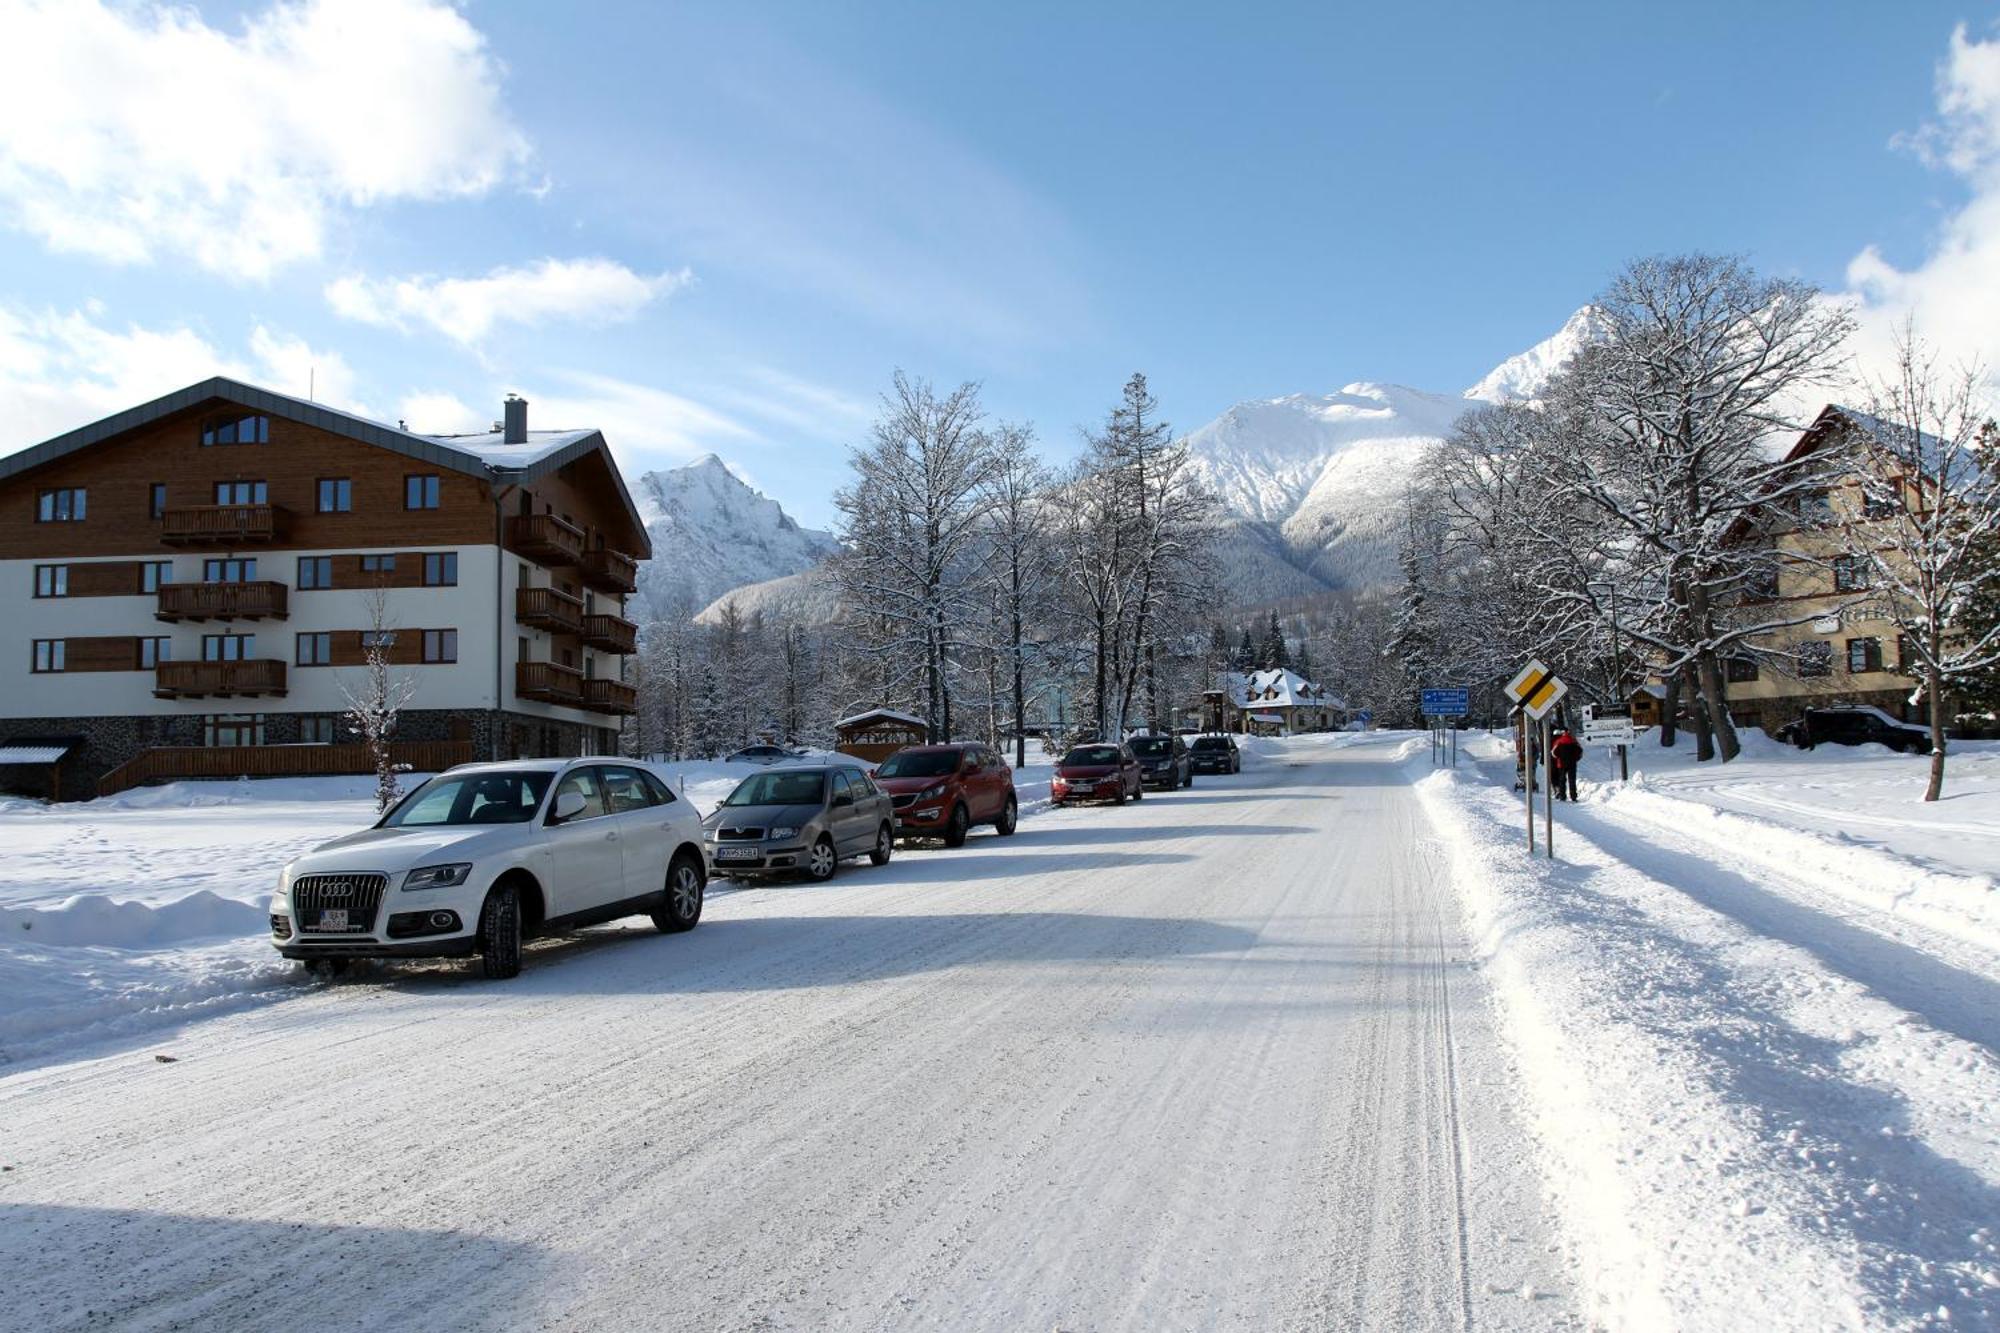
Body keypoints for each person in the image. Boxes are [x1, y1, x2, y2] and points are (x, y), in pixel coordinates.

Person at [1549, 726, 1584, 801]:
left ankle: (1562, 796)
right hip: (1572, 764)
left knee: (1562, 780)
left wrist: (1558, 757)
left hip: (1561, 764)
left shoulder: (1559, 741)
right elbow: (1580, 751)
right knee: (1572, 780)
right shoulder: (1573, 741)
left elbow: (1553, 753)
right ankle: (1573, 796)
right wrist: (1575, 759)